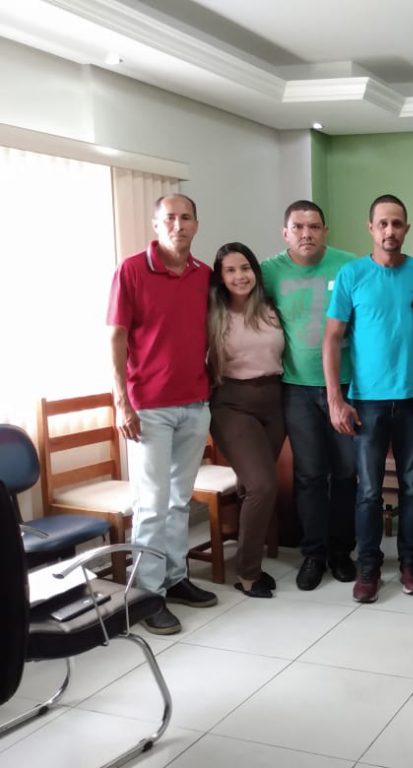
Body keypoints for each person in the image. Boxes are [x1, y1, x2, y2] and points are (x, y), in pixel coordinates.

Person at [107, 193, 217, 635]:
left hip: (194, 403)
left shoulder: (204, 274)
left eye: (186, 217)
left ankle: (174, 578)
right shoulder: (132, 270)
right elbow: (115, 338)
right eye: (169, 218)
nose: (178, 225)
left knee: (177, 502)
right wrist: (122, 402)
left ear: (196, 224)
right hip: (148, 408)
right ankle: (146, 596)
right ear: (156, 224)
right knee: (151, 506)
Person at [323, 194, 413, 604]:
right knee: (368, 489)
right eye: (383, 223)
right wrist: (336, 399)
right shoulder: (352, 274)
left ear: (406, 228)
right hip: (366, 401)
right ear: (371, 228)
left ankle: (410, 563)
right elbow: (332, 339)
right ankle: (368, 567)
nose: (390, 230)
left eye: (397, 223)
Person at [262, 200, 358, 591]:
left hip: (347, 386)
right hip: (297, 388)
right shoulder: (268, 271)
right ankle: (314, 554)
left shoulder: (348, 265)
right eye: (298, 227)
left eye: (314, 226)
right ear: (285, 233)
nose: (307, 234)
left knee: (347, 474)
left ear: (325, 231)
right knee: (309, 475)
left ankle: (342, 551)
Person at [207, 242, 285, 598]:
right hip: (232, 405)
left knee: (250, 486)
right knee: (262, 486)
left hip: (275, 403)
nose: (240, 276)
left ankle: (245, 557)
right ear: (220, 278)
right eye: (230, 270)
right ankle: (248, 573)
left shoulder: (270, 308)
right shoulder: (213, 313)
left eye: (245, 268)